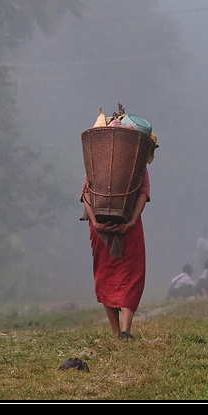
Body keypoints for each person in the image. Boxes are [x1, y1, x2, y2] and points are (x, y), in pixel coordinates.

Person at [82, 133, 157, 340]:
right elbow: (144, 193)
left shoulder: (96, 158)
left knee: (105, 275)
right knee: (132, 274)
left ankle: (118, 331)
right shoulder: (136, 161)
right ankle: (124, 330)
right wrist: (132, 220)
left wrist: (96, 222)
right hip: (127, 223)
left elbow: (85, 193)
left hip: (100, 226)